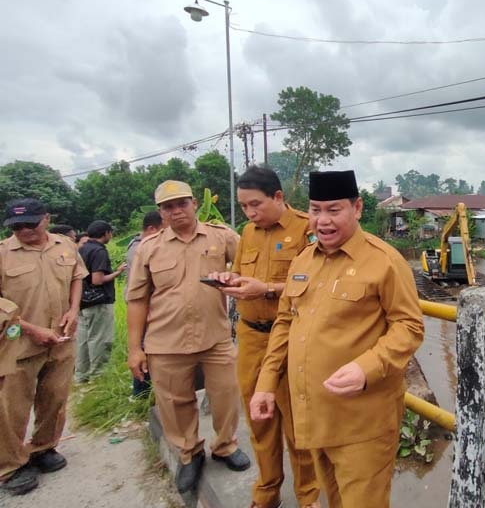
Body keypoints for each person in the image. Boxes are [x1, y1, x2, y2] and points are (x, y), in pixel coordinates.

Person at [250, 170, 424, 508]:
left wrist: (367, 367)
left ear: (357, 208)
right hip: (315, 415)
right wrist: (267, 382)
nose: (323, 221)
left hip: (363, 424)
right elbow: (285, 321)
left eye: (334, 210)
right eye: (315, 210)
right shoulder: (303, 260)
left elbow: (409, 326)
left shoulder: (385, 262)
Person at [126, 180, 250, 493]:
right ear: (160, 212)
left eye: (182, 203)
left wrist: (235, 277)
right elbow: (137, 299)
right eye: (168, 206)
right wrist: (134, 349)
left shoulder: (220, 236)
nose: (176, 210)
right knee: (175, 402)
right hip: (165, 341)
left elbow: (248, 263)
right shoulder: (148, 248)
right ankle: (189, 453)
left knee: (226, 395)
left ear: (194, 203)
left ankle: (225, 446)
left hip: (216, 337)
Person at [209, 166, 321, 508]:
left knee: (297, 424)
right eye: (244, 206)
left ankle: (308, 496)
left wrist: (268, 289)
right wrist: (228, 280)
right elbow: (242, 273)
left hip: (290, 338)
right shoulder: (248, 232)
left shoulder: (307, 229)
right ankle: (267, 491)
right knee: (260, 419)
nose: (250, 212)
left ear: (278, 197)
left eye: (255, 204)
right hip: (251, 337)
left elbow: (316, 287)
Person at [0, 198, 88, 496]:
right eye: (17, 227)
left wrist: (74, 309)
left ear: (46, 219)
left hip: (61, 339)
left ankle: (43, 448)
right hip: (17, 344)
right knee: (13, 406)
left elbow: (77, 278)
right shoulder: (2, 254)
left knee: (54, 397)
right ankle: (11, 465)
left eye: (30, 224)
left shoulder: (65, 245)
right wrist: (31, 329)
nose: (24, 231)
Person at [74, 219, 126, 383]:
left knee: (83, 339)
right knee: (99, 338)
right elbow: (98, 279)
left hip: (82, 301)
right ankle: (97, 375)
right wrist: (117, 272)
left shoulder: (82, 249)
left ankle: (81, 374)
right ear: (106, 233)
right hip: (98, 301)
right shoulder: (99, 251)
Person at [125, 210, 163, 398]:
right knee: (143, 349)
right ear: (151, 229)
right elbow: (140, 290)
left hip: (148, 307)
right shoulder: (141, 248)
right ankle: (140, 393)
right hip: (143, 308)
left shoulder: (136, 244)